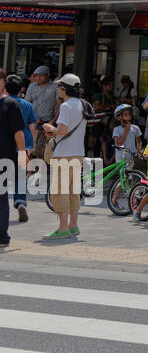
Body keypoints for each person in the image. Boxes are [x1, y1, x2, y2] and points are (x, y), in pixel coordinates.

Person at [42, 73, 89, 240]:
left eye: (59, 86)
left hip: (64, 154)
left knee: (59, 191)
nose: (57, 89)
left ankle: (62, 228)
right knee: (73, 190)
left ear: (65, 89)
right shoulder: (83, 105)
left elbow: (61, 130)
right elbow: (80, 130)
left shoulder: (66, 106)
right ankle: (73, 225)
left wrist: (50, 128)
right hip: (78, 152)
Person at [0, 76, 26, 248]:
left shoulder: (10, 105)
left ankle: (2, 236)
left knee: (0, 197)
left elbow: (18, 133)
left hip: (3, 158)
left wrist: (23, 155)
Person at [9, 75, 35, 223]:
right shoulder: (27, 105)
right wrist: (33, 146)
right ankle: (20, 202)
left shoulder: (3, 103)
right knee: (20, 176)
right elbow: (32, 128)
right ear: (22, 89)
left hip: (6, 145)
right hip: (23, 146)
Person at [26, 65, 58, 161]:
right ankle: (30, 172)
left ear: (47, 75)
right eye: (36, 76)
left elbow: (60, 105)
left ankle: (41, 173)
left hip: (48, 121)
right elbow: (27, 103)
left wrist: (53, 121)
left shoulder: (55, 87)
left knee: (44, 151)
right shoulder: (32, 86)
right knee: (30, 150)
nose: (38, 78)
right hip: (33, 123)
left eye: (41, 76)